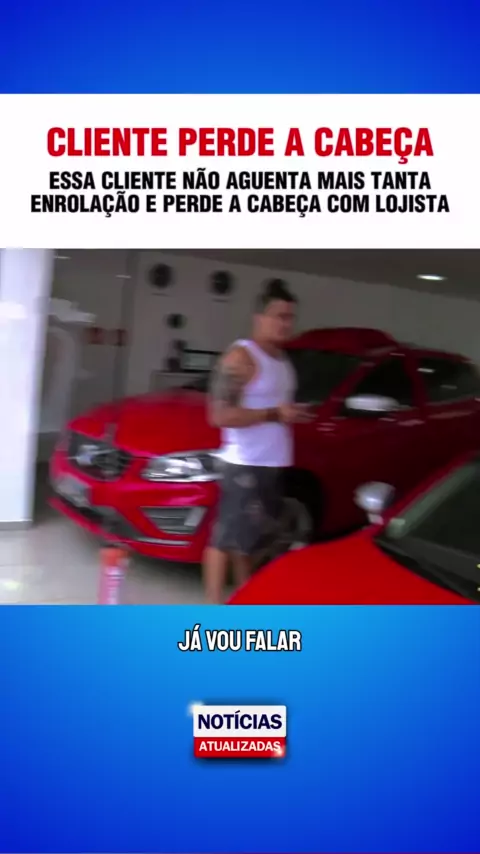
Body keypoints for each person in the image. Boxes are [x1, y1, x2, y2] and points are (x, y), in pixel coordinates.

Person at [202, 279, 313, 604]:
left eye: (290, 317)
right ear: (259, 317)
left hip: (271, 463)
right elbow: (219, 415)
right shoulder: (241, 357)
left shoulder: (282, 360)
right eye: (279, 316)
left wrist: (290, 414)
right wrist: (275, 414)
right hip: (244, 464)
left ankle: (245, 600)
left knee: (249, 542)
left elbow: (276, 407)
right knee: (223, 540)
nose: (285, 323)